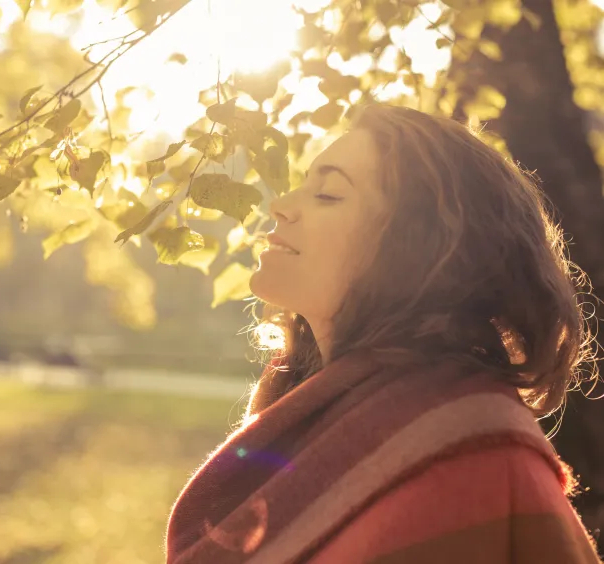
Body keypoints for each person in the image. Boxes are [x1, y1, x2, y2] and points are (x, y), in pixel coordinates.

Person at [165, 103, 604, 563]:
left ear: (417, 247)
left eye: (329, 194)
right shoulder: (303, 417)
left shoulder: (467, 454)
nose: (280, 206)